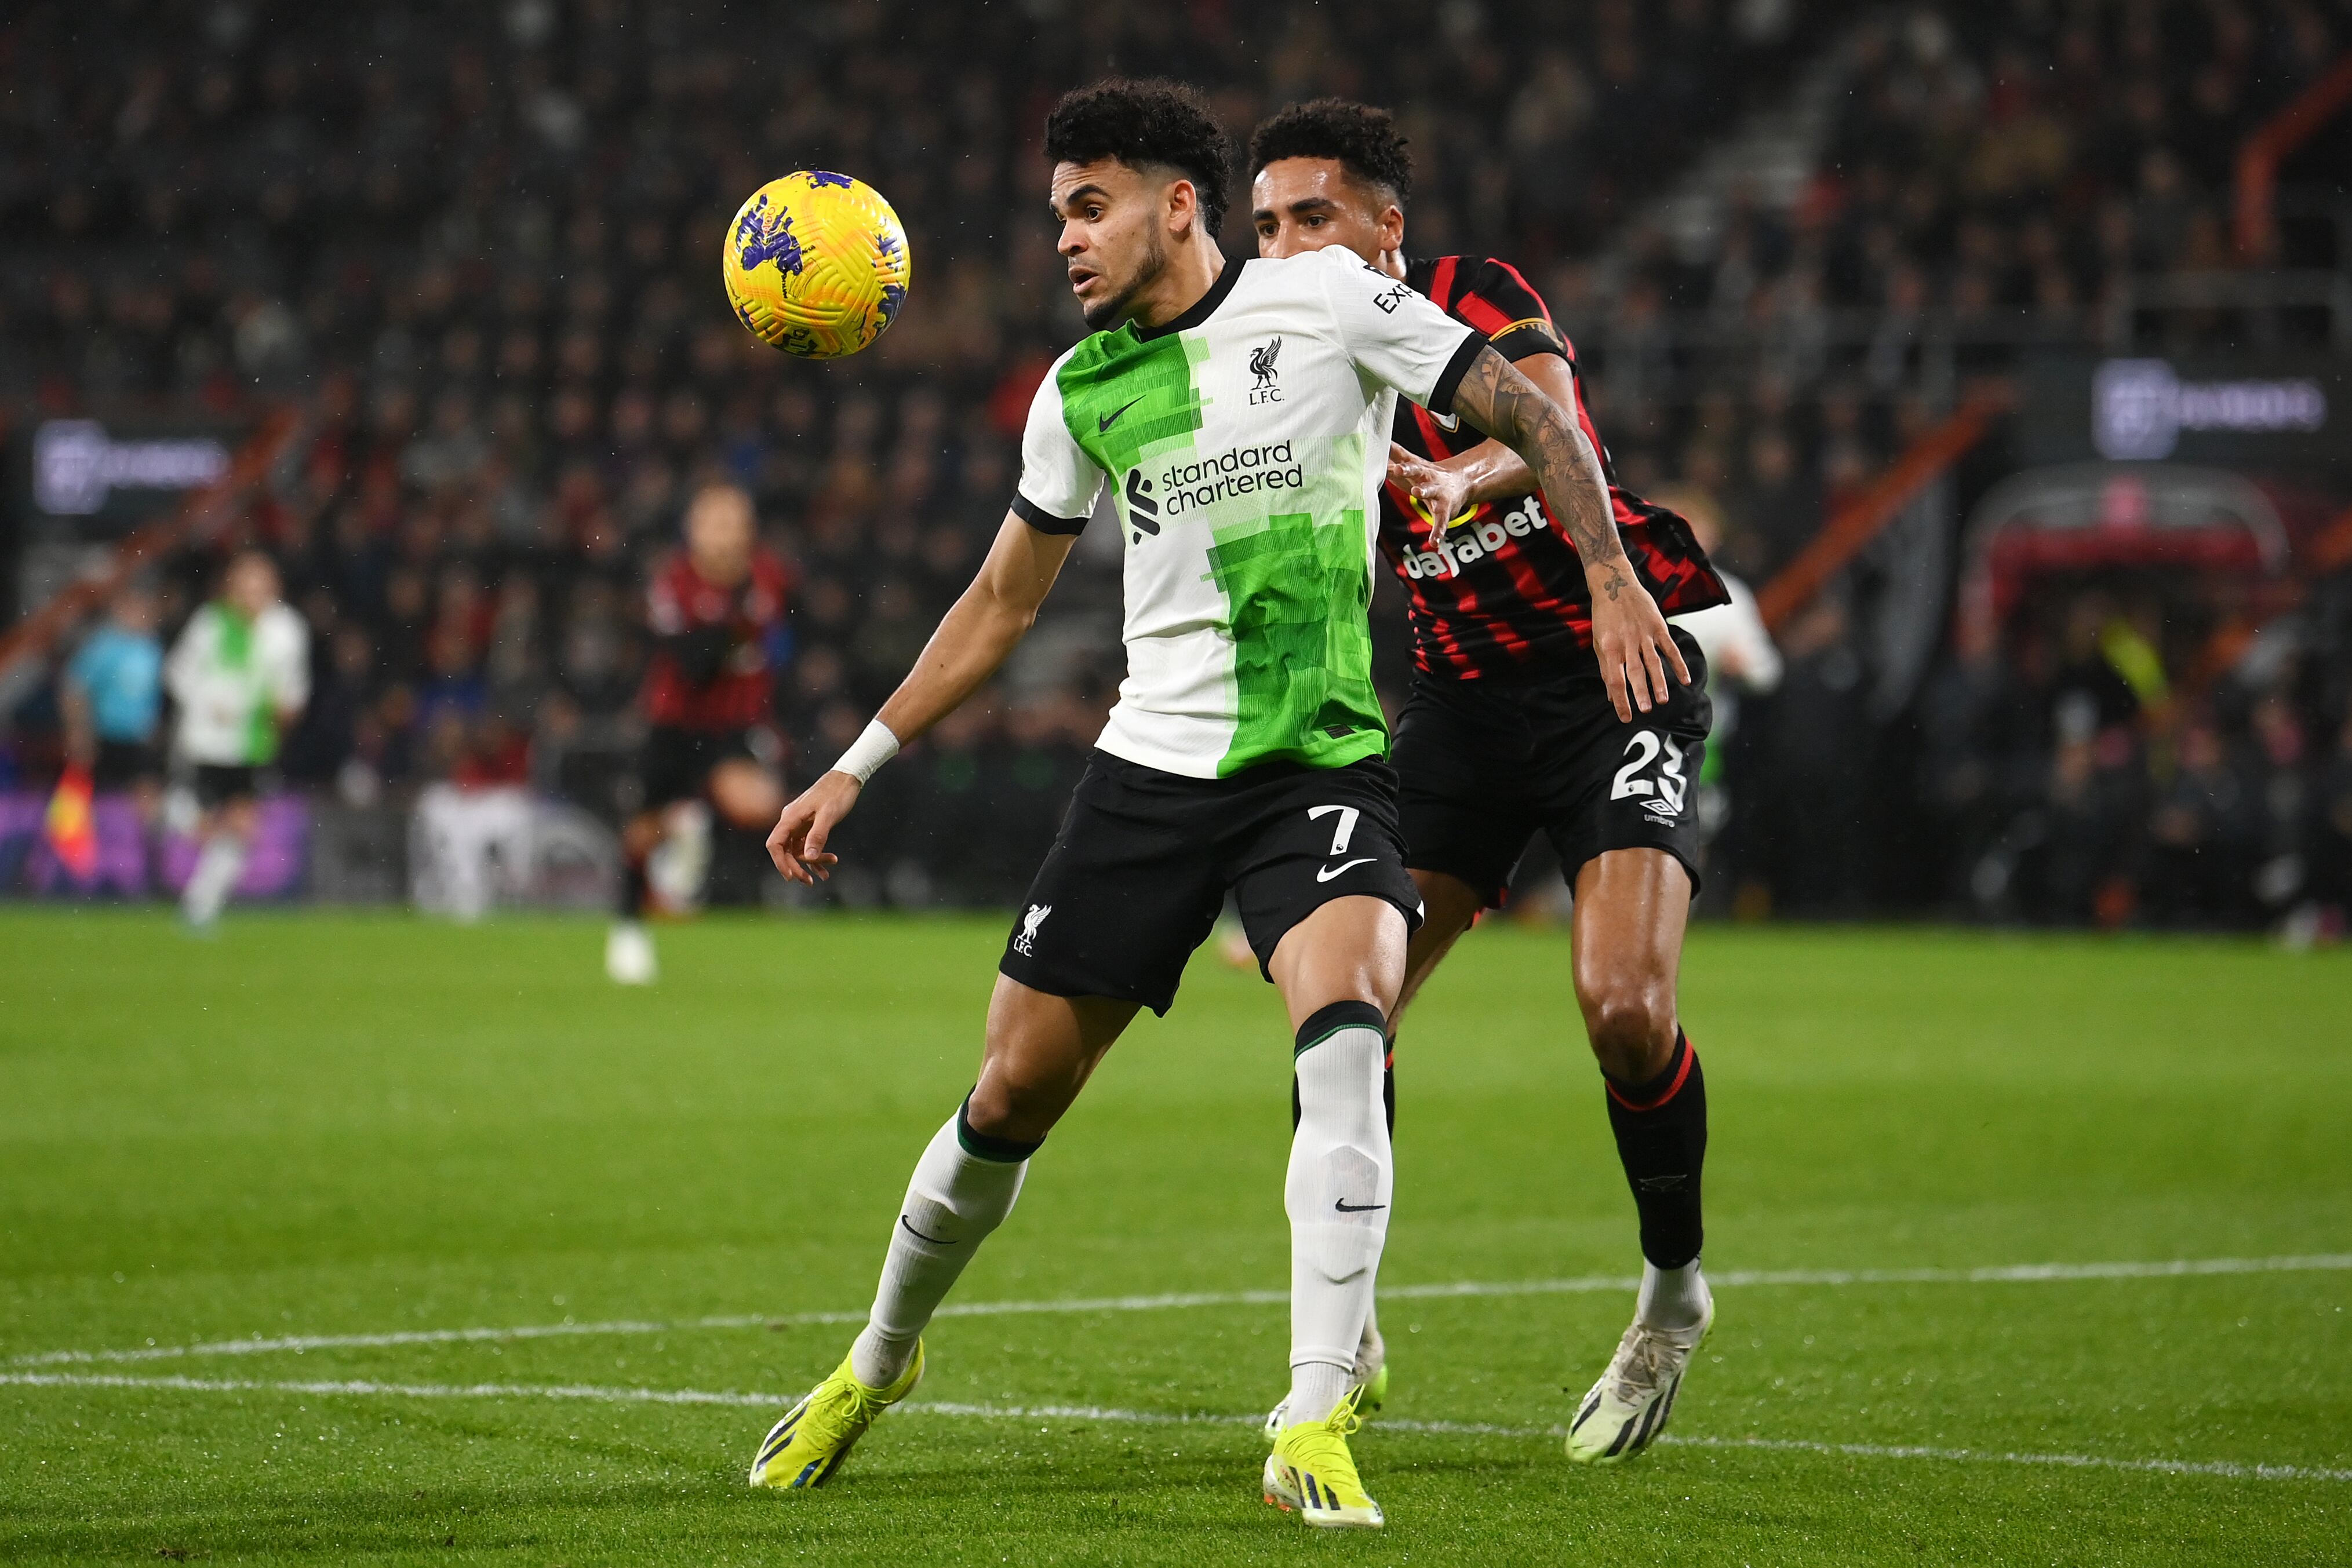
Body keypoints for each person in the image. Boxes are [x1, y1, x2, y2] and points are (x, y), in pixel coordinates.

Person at [749, 78, 1684, 1529]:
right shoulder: (1080, 393)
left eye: (1088, 205)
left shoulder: (1328, 307)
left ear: (1174, 204)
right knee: (1007, 1094)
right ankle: (874, 1362)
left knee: (1344, 1031)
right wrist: (853, 762)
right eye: (1056, 211)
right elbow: (1000, 605)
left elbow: (1535, 416)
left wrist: (1614, 577)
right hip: (1144, 778)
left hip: (1314, 764)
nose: (1063, 238)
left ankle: (1312, 1411)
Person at [1249, 98, 1732, 1465]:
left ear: (1385, 231)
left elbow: (1549, 419)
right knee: (1347, 1002)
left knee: (1624, 1008)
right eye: (1265, 225)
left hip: (1603, 682)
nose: (1283, 247)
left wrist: (1460, 477)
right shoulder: (1284, 363)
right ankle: (1344, 1324)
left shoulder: (1470, 296)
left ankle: (1668, 1296)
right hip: (1455, 719)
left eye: (1311, 217)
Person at [606, 480, 792, 984]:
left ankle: (695, 823)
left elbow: (776, 649)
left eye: (735, 522)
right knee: (643, 830)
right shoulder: (673, 584)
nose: (726, 534)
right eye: (715, 522)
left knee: (764, 806)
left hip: (735, 725)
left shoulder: (769, 578)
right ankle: (628, 928)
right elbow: (692, 665)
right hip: (674, 722)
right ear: (693, 530)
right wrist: (733, 615)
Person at [165, 552, 310, 929]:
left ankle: (201, 905)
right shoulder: (210, 625)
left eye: (261, 586)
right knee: (198, 822)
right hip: (204, 742)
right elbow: (178, 674)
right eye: (246, 585)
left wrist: (279, 715)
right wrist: (208, 704)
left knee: (244, 827)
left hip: (252, 744)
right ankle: (171, 816)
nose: (252, 594)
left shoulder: (287, 630)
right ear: (231, 589)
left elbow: (291, 694)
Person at [61, 580, 166, 809]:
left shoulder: (152, 646)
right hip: (104, 732)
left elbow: (153, 690)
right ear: (120, 610)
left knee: (146, 790)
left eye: (145, 609)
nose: (140, 615)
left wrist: (155, 722)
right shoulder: (104, 645)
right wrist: (78, 731)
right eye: (134, 609)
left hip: (138, 736)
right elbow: (75, 687)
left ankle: (147, 842)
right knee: (90, 796)